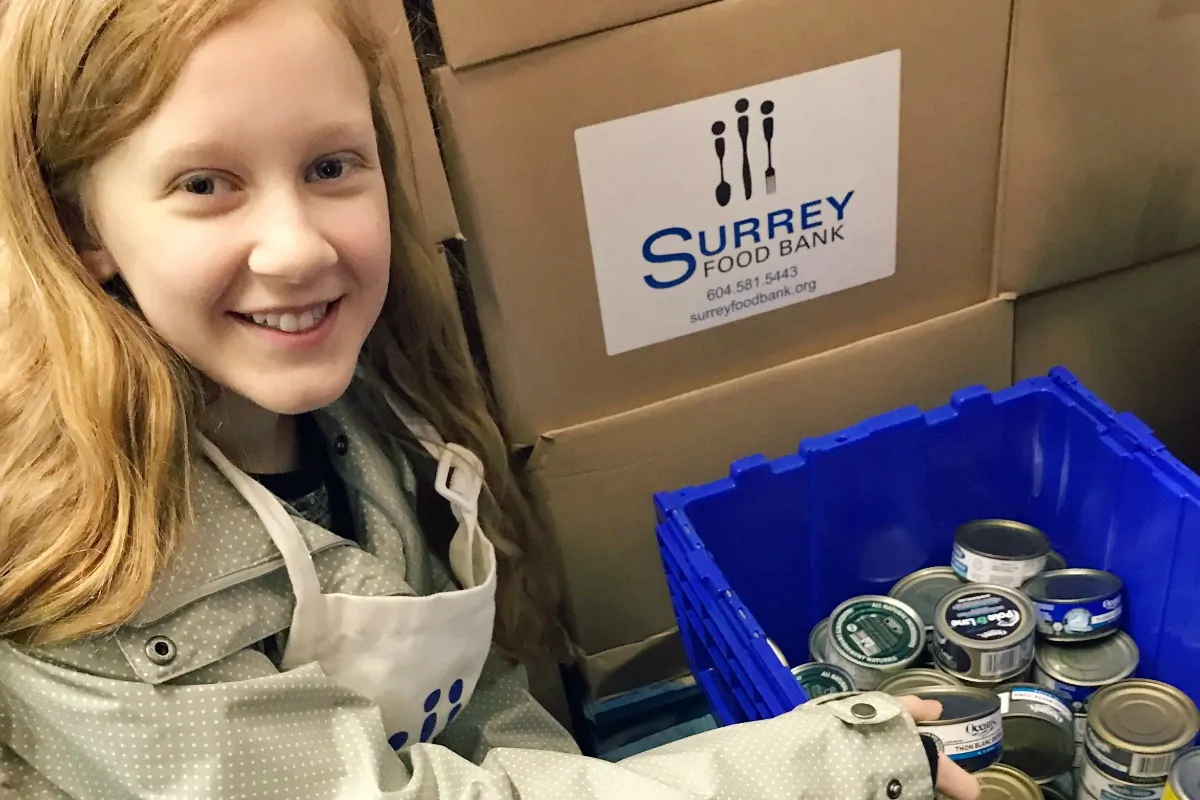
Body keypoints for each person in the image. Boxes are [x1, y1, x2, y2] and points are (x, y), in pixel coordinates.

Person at [0, 0, 981, 797]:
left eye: (331, 165)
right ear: (81, 221)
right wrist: (836, 765)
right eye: (207, 183)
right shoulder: (92, 582)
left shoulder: (363, 400)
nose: (298, 246)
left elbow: (466, 695)